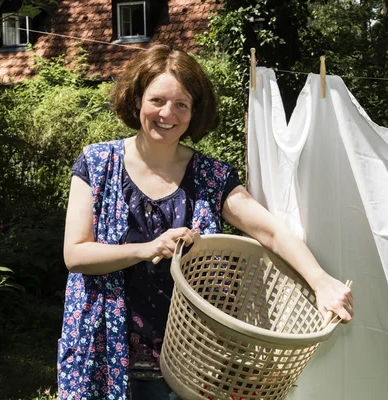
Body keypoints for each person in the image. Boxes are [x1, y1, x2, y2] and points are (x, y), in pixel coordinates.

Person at [57, 44, 353, 400]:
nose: (168, 113)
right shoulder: (97, 163)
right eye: (157, 100)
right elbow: (75, 255)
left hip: (189, 363)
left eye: (182, 104)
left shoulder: (211, 176)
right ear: (137, 101)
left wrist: (321, 282)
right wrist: (146, 248)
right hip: (104, 353)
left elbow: (269, 230)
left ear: (194, 112)